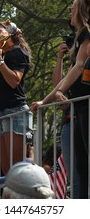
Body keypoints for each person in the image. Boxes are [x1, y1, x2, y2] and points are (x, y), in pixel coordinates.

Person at [31, 0, 90, 198]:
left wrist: (59, 92)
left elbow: (80, 66)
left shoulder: (87, 34)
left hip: (84, 107)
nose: (69, 13)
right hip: (76, 111)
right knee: (79, 173)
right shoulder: (80, 38)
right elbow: (64, 77)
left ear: (81, 10)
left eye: (72, 9)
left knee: (84, 171)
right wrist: (46, 100)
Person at [0, 20, 33, 175]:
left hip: (15, 111)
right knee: (6, 170)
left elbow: (14, 81)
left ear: (9, 32)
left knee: (17, 168)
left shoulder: (17, 52)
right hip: (0, 113)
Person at [52, 41, 80, 198]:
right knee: (75, 177)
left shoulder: (82, 62)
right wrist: (60, 57)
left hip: (83, 118)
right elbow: (57, 86)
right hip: (70, 121)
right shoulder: (74, 65)